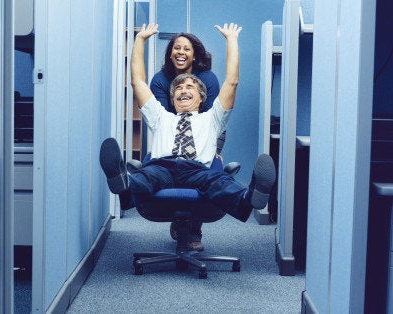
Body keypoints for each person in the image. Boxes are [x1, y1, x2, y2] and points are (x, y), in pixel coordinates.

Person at [100, 22, 275, 238]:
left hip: (197, 169)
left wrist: (232, 40)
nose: (183, 90)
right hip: (162, 166)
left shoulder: (212, 118)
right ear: (172, 99)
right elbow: (137, 82)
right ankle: (123, 184)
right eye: (178, 89)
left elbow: (232, 82)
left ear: (202, 98)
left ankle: (251, 197)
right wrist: (139, 40)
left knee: (219, 182)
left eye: (190, 87)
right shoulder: (161, 116)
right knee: (144, 177)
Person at [150, 32, 221, 251]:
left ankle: (194, 230)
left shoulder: (207, 78)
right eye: (176, 48)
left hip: (201, 135)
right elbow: (158, 116)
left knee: (202, 168)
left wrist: (215, 149)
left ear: (194, 55)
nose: (181, 52)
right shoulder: (160, 80)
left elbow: (217, 117)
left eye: (187, 49)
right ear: (170, 53)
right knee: (169, 166)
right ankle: (176, 216)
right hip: (172, 132)